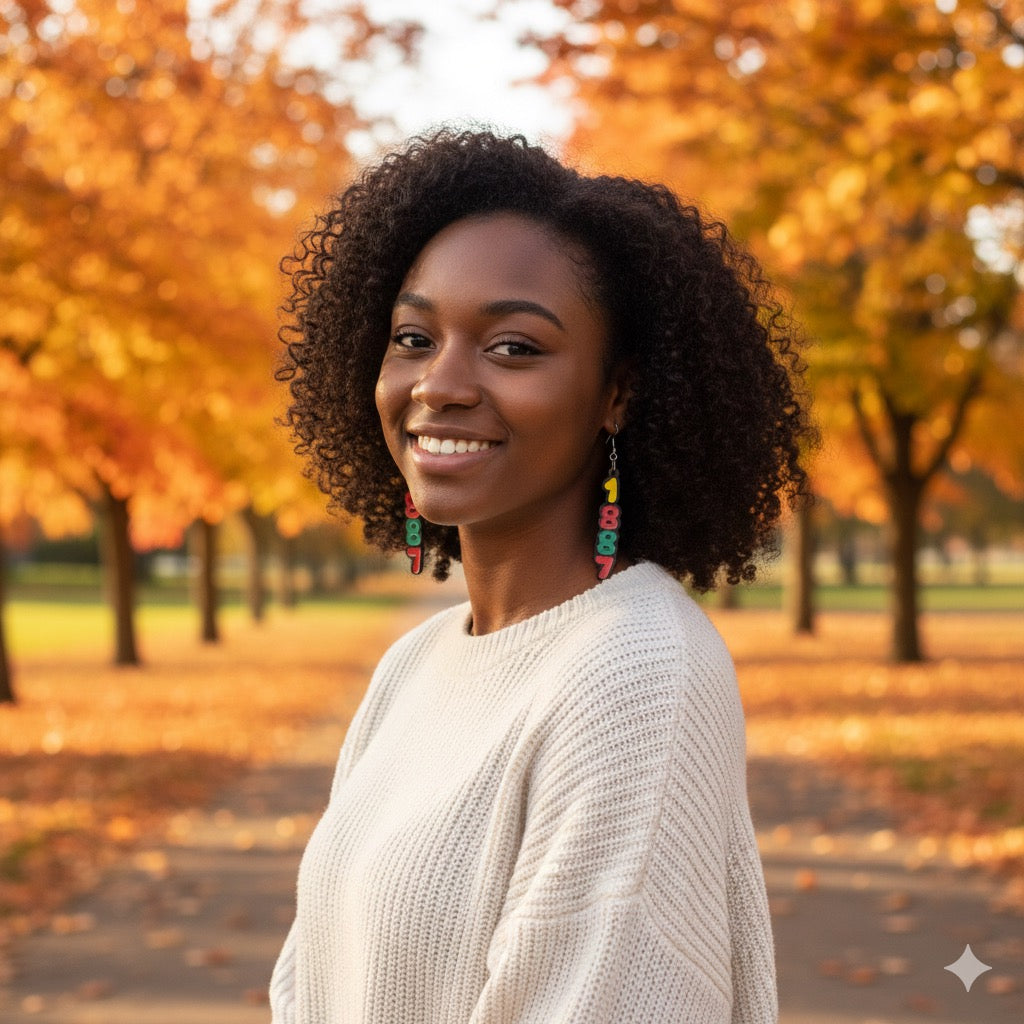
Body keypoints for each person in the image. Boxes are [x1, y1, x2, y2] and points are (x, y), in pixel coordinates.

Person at [269, 128, 811, 1024]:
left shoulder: (636, 673)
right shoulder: (413, 665)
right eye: (414, 337)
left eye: (513, 347)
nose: (439, 383)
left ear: (618, 394)